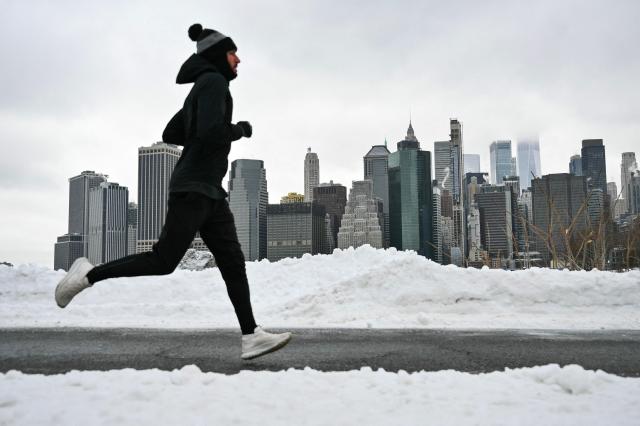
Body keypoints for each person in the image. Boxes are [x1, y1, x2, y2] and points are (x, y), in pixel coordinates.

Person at [55, 24, 291, 361]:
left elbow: (172, 131)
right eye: (232, 52)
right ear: (218, 56)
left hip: (210, 190)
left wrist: (199, 134)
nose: (238, 59)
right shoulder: (213, 82)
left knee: (233, 263)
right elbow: (210, 131)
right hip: (193, 189)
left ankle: (251, 335)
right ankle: (88, 275)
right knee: (164, 261)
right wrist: (238, 130)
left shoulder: (202, 88)